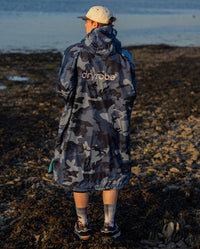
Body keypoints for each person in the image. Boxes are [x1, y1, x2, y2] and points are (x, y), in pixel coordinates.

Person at [53, 6, 137, 240]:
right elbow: (130, 93)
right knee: (111, 170)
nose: (86, 25)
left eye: (88, 22)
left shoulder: (75, 52)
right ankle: (109, 225)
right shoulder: (123, 56)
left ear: (95, 25)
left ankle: (83, 225)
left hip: (79, 124)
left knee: (80, 171)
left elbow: (63, 89)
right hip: (113, 126)